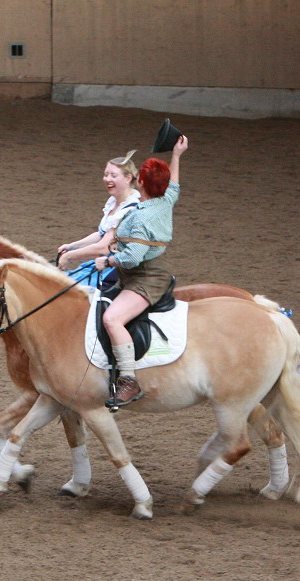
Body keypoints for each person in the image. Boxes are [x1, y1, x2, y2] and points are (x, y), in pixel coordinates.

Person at [94, 134, 188, 406]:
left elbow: (133, 257)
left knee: (112, 319)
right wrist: (177, 155)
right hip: (149, 271)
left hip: (144, 278)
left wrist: (108, 261)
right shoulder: (165, 201)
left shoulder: (141, 217)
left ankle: (128, 379)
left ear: (141, 182)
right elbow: (175, 186)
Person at [56, 151, 141, 286]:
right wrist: (72, 247)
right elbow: (101, 234)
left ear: (128, 178)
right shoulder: (113, 203)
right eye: (106, 174)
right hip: (104, 264)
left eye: (113, 175)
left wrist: (69, 256)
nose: (107, 179)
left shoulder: (130, 210)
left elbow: (103, 248)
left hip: (118, 270)